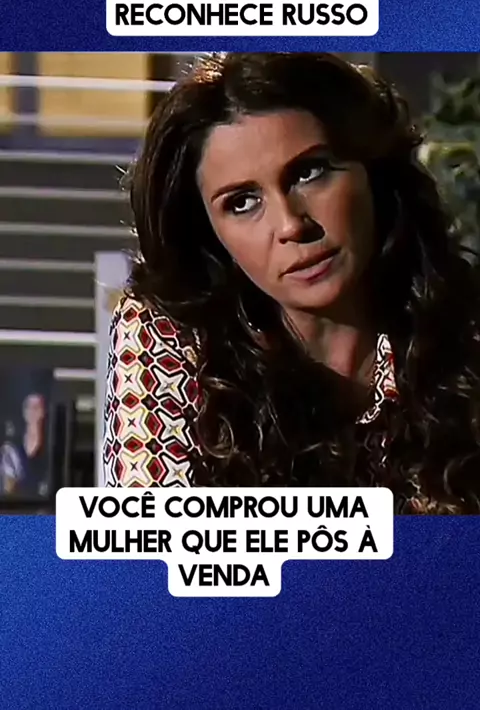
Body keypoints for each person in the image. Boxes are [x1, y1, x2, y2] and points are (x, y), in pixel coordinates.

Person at [103, 52, 480, 514]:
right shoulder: (170, 334)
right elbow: (153, 542)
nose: (291, 225)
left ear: (373, 171)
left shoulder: (463, 330)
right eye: (242, 202)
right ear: (208, 233)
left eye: (309, 172)